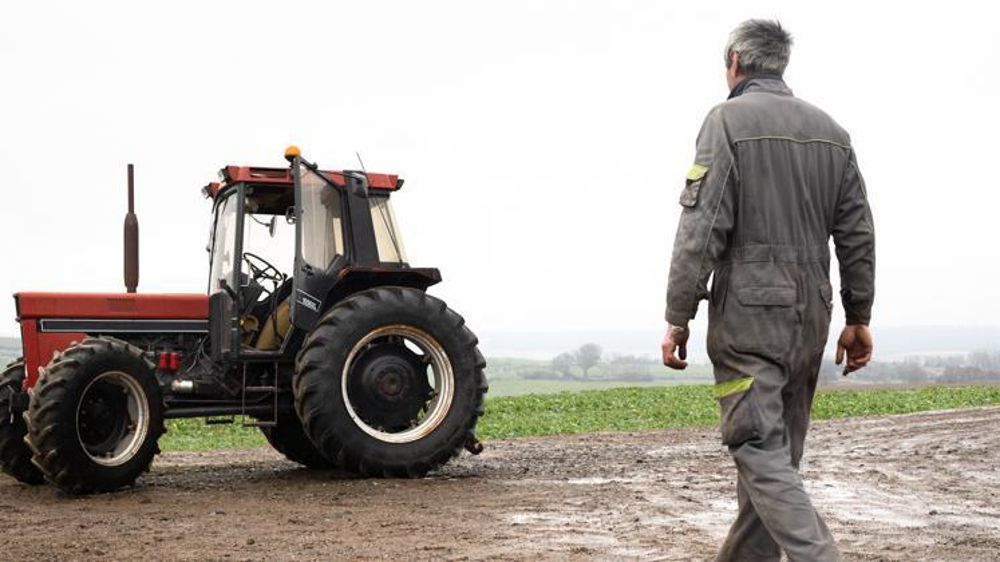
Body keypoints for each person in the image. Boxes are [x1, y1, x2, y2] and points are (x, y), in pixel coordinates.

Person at [661, 19, 875, 562]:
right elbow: (856, 233)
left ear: (735, 61)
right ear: (779, 63)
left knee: (757, 447)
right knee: (775, 459)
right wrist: (858, 315)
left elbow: (701, 228)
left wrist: (678, 314)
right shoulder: (833, 131)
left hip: (750, 318)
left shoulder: (726, 120)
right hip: (812, 317)